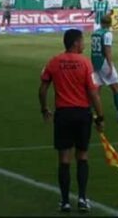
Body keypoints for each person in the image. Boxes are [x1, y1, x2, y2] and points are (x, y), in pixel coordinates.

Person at [39, 29, 105, 214]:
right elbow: (93, 93)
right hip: (82, 114)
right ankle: (83, 199)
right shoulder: (85, 63)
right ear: (76, 43)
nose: (84, 43)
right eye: (82, 40)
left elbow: (43, 89)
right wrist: (100, 117)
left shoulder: (54, 61)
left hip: (63, 115)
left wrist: (44, 108)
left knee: (64, 159)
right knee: (82, 156)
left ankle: (65, 201)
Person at [90, 16, 118, 124]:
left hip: (95, 62)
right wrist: (110, 66)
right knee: (116, 88)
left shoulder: (95, 33)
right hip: (104, 62)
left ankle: (89, 114)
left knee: (96, 91)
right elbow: (107, 50)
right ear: (110, 23)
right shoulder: (107, 33)